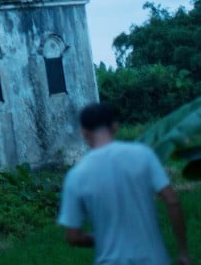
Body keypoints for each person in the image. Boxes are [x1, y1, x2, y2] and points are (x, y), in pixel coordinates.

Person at [58, 103, 191, 264]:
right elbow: (172, 200)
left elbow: (73, 236)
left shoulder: (76, 175)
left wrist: (101, 238)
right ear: (115, 127)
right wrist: (183, 251)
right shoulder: (143, 154)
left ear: (84, 133)